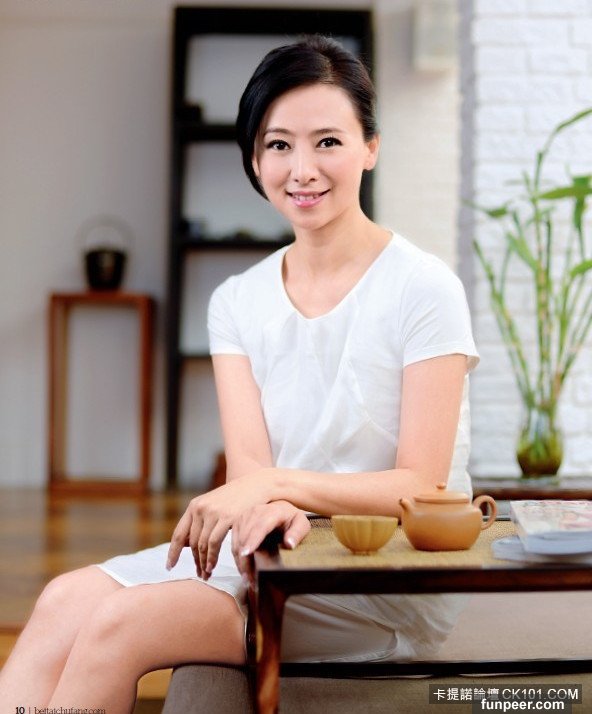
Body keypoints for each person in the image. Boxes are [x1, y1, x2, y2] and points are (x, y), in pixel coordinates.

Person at [0, 36, 478, 714]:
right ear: (255, 160)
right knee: (63, 600)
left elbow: (421, 486)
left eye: (328, 142)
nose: (302, 169)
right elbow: (250, 473)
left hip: (384, 579)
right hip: (273, 551)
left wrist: (279, 487)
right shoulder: (236, 301)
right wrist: (267, 497)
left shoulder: (424, 288)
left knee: (119, 623)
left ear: (370, 146)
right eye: (278, 145)